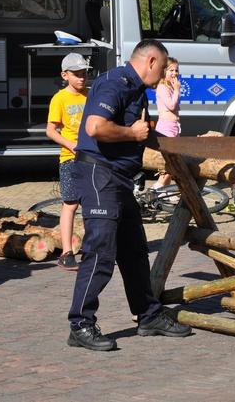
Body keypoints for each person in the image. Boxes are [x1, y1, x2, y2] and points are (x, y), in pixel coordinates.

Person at [67, 39, 191, 352]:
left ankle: (148, 315)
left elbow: (145, 134)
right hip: (100, 174)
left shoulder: (135, 90)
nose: (163, 75)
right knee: (101, 251)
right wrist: (130, 134)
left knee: (134, 251)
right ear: (150, 61)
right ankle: (80, 324)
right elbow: (96, 127)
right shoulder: (116, 83)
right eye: (162, 68)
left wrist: (191, 146)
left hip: (119, 178)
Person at [46, 53, 92, 271]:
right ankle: (67, 252)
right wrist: (70, 144)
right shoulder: (60, 99)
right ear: (65, 75)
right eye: (77, 74)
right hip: (70, 159)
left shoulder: (90, 96)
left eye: (84, 73)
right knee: (70, 204)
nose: (82, 78)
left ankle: (93, 248)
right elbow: (51, 130)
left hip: (92, 158)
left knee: (93, 204)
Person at [151, 57, 181, 190]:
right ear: (163, 72)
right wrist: (177, 90)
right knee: (169, 163)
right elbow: (171, 105)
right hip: (166, 127)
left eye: (176, 70)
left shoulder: (169, 87)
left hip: (173, 127)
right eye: (171, 70)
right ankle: (155, 190)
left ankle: (164, 191)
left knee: (172, 163)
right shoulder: (162, 87)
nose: (174, 73)